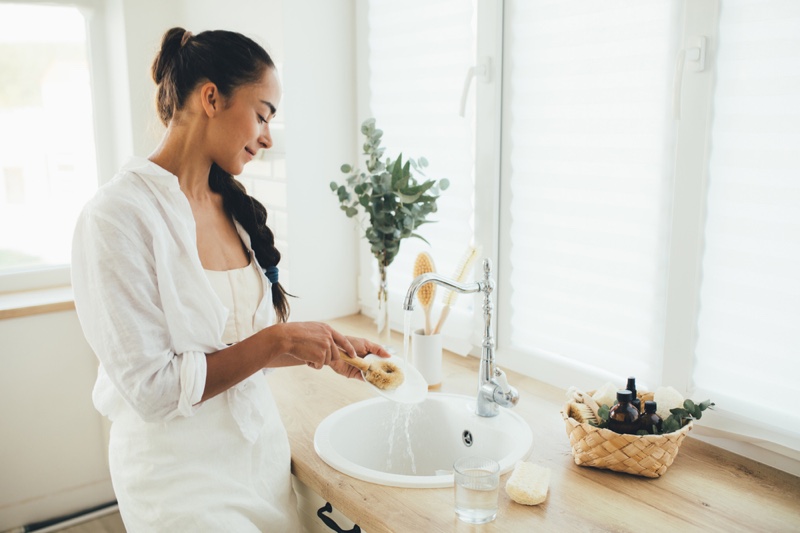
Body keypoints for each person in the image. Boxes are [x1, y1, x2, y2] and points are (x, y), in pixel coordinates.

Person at [71, 27, 388, 531]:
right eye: (262, 114)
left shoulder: (234, 210)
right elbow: (153, 388)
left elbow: (235, 346)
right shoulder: (117, 216)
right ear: (211, 97)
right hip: (176, 480)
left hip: (258, 458)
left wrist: (326, 349)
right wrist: (276, 339)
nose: (266, 135)